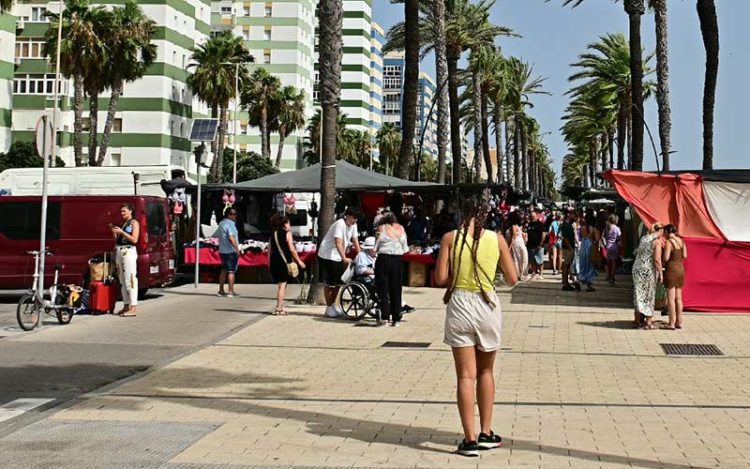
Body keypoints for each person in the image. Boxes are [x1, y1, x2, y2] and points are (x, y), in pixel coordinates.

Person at [435, 198, 518, 457]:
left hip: (460, 303)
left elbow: (439, 279)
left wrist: (458, 272)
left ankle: (469, 440)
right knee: (486, 371)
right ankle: (486, 432)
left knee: (464, 376)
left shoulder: (450, 238)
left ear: (461, 213)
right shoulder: (497, 239)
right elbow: (513, 278)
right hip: (487, 304)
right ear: (486, 214)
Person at [318, 208, 361, 318]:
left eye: (356, 218)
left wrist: (360, 255)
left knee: (338, 282)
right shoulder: (339, 224)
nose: (355, 220)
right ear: (347, 216)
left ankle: (333, 305)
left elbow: (355, 240)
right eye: (353, 218)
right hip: (328, 255)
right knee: (329, 283)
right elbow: (338, 242)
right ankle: (328, 307)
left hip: (338, 256)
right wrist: (344, 258)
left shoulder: (353, 226)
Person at [375, 213, 408, 327]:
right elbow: (405, 248)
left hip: (383, 258)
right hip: (397, 260)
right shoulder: (402, 229)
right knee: (396, 289)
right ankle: (396, 319)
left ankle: (385, 318)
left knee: (383, 289)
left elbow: (376, 246)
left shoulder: (381, 228)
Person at [269, 214, 306, 316]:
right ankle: (278, 308)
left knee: (281, 285)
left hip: (274, 262)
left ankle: (280, 307)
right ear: (285, 224)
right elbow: (292, 249)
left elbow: (269, 251)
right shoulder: (287, 234)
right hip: (283, 263)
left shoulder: (274, 234)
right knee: (282, 286)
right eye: (289, 223)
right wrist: (299, 261)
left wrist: (269, 264)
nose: (290, 225)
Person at [632, 222, 664, 329]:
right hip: (648, 270)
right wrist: (660, 273)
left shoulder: (644, 238)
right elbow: (657, 259)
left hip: (637, 269)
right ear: (660, 231)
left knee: (638, 293)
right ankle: (648, 322)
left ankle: (637, 321)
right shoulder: (656, 242)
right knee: (649, 295)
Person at [111, 203, 140, 317]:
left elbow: (134, 239)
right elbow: (120, 240)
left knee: (130, 278)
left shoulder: (134, 223)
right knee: (122, 280)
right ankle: (126, 305)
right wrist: (116, 234)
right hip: (120, 251)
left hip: (128, 251)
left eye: (124, 211)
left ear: (130, 211)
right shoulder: (124, 224)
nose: (122, 213)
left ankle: (133, 307)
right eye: (121, 211)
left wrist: (122, 232)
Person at [662, 224, 687, 330]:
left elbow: (666, 257)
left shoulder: (669, 242)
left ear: (667, 232)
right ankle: (679, 321)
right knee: (679, 298)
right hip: (680, 269)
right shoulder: (681, 241)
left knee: (671, 298)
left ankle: (671, 323)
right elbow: (685, 256)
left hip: (671, 269)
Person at [217, 208, 241, 298]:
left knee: (223, 270)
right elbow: (231, 237)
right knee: (231, 271)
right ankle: (230, 291)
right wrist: (237, 249)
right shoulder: (231, 224)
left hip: (222, 250)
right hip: (230, 251)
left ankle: (221, 290)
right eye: (233, 214)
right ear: (229, 215)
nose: (235, 216)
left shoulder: (221, 223)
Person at [506, 212, 528, 281]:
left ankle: (518, 274)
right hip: (521, 243)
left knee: (516, 259)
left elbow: (513, 236)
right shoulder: (518, 226)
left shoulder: (513, 226)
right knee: (522, 258)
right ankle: (521, 274)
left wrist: (509, 247)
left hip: (516, 244)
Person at [560, 211, 578, 292]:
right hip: (567, 249)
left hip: (568, 248)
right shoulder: (566, 226)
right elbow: (566, 238)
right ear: (570, 215)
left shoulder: (567, 225)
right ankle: (565, 284)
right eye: (575, 216)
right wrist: (570, 248)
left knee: (567, 266)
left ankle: (567, 282)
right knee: (566, 266)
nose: (575, 218)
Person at [526, 209, 546, 279]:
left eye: (533, 216)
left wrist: (540, 244)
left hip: (538, 245)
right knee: (532, 260)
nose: (532, 217)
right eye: (531, 216)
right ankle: (534, 272)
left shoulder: (540, 224)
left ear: (537, 216)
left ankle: (541, 274)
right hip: (530, 245)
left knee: (540, 261)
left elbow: (543, 234)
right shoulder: (529, 224)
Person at [603, 214, 622, 286]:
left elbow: (603, 237)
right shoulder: (617, 228)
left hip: (608, 247)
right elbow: (619, 239)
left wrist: (605, 244)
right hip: (615, 246)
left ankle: (609, 275)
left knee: (609, 263)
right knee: (614, 263)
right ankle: (612, 278)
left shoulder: (607, 228)